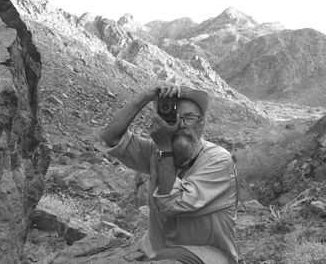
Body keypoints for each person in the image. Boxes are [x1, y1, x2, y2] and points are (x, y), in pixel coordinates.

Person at [100, 83, 238, 264]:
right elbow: (111, 137)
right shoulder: (155, 151)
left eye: (189, 117)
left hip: (209, 255)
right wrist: (145, 97)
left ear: (202, 123)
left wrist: (165, 148)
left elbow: (171, 204)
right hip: (160, 252)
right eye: (174, 117)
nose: (181, 124)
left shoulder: (219, 160)